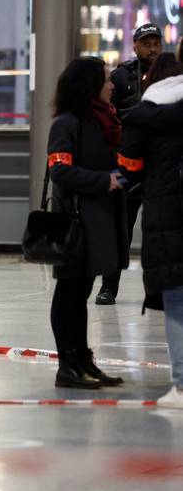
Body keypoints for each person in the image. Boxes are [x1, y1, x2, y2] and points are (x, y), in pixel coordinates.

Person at [46, 56, 128, 389]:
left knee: (81, 292)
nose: (112, 85)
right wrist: (103, 181)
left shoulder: (102, 122)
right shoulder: (66, 124)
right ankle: (67, 364)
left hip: (98, 221)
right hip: (75, 224)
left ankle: (82, 359)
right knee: (69, 293)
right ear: (89, 86)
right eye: (106, 80)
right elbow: (60, 170)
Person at [117, 52, 183, 408]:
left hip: (164, 211)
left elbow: (129, 166)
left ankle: (182, 386)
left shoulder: (142, 116)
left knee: (176, 299)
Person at [96, 22, 163, 305]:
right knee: (120, 229)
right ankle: (108, 287)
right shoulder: (121, 77)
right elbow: (107, 117)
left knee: (159, 232)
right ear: (135, 46)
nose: (152, 49)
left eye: (156, 43)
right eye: (146, 44)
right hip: (128, 166)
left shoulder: (173, 75)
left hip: (162, 167)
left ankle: (157, 290)